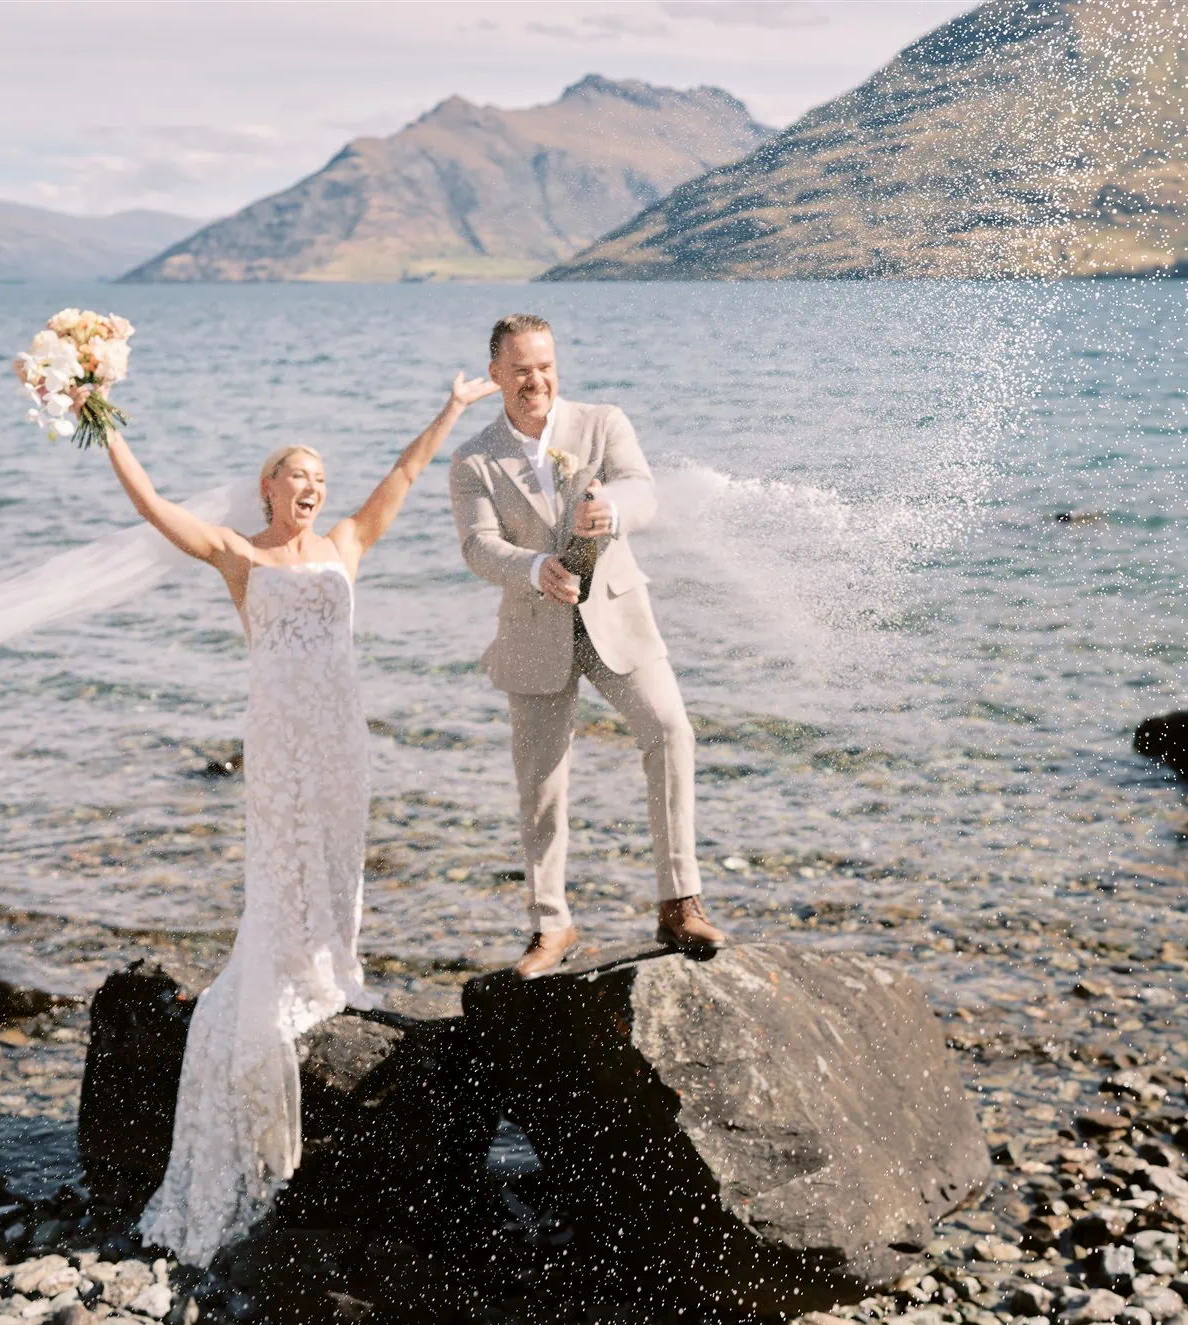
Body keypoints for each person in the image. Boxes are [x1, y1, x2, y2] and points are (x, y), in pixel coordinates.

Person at [102, 370, 499, 1264]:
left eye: (320, 477)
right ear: (267, 488)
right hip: (280, 736)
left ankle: (331, 964)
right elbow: (154, 505)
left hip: (340, 733)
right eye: (297, 476)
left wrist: (453, 407)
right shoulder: (238, 555)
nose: (313, 487)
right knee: (283, 853)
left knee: (339, 854)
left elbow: (403, 473)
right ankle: (284, 967)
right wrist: (103, 424)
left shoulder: (347, 542)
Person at [448, 314, 724, 978]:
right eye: (519, 371)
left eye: (544, 366)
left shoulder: (604, 423)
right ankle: (551, 924)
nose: (534, 380)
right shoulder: (473, 460)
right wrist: (530, 568)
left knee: (671, 729)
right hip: (532, 628)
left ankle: (679, 900)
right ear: (495, 376)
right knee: (541, 784)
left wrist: (616, 511)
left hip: (618, 615)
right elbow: (477, 545)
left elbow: (642, 488)